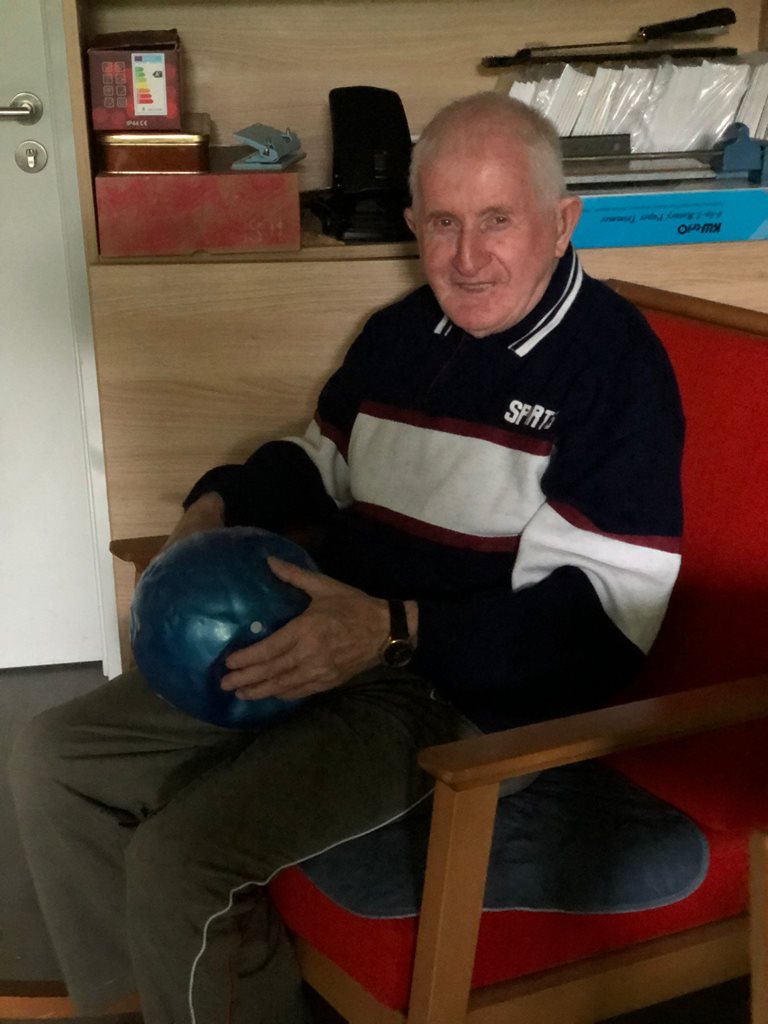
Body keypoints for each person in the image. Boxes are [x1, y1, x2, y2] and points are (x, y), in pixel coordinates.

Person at [9, 92, 684, 1024]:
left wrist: (394, 631)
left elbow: (603, 627)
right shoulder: (399, 335)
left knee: (182, 854)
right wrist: (217, 502)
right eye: (442, 223)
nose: (466, 257)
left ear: (562, 222)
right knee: (53, 756)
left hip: (452, 699)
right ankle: (136, 1006)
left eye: (497, 220)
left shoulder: (616, 370)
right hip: (323, 633)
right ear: (411, 223)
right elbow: (317, 465)